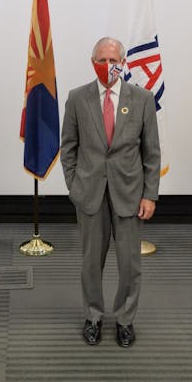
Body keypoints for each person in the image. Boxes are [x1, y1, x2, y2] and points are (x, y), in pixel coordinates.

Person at [60, 36, 160, 348]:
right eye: (102, 60)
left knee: (130, 265)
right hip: (89, 194)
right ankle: (93, 316)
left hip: (129, 194)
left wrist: (150, 194)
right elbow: (68, 149)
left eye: (114, 60)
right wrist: (75, 187)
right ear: (93, 63)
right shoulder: (77, 98)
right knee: (91, 262)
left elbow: (151, 153)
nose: (108, 66)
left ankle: (125, 320)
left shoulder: (142, 99)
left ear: (124, 62)